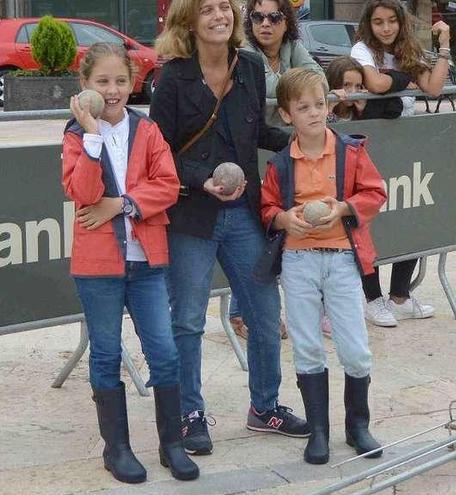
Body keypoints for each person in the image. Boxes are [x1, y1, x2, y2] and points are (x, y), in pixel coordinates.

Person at [150, 0, 309, 457]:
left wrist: (303, 139)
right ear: (189, 21)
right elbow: (157, 153)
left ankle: (265, 407)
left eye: (225, 7)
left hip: (243, 212)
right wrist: (202, 178)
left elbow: (255, 130)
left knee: (262, 314)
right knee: (187, 320)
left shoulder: (252, 67)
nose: (219, 16)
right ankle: (189, 414)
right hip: (191, 215)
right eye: (207, 10)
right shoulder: (173, 77)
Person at [62, 42, 199, 483]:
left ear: (133, 82)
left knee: (163, 350)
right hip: (98, 265)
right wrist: (92, 137)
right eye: (102, 81)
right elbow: (82, 194)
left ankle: (172, 444)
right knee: (104, 353)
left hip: (146, 261)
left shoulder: (148, 130)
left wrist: (121, 204)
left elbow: (167, 184)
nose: (113, 89)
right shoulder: (75, 134)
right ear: (85, 86)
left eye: (120, 80)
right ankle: (116, 449)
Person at [260, 68, 388, 465]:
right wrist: (284, 219)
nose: (314, 113)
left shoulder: (350, 152)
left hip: (342, 259)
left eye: (319, 104)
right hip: (298, 261)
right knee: (307, 345)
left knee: (354, 345)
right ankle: (318, 431)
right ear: (286, 115)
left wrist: (344, 208)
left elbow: (375, 192)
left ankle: (357, 426)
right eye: (303, 107)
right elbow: (266, 207)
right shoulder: (281, 163)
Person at [350, 0, 448, 327]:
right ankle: (372, 298)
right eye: (379, 22)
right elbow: (375, 85)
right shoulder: (363, 50)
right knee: (373, 222)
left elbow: (433, 87)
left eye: (392, 21)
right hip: (373, 144)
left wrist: (444, 46)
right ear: (370, 24)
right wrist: (408, 77)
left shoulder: (408, 48)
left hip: (407, 144)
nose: (386, 28)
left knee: (411, 213)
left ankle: (400, 295)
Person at [229, 0, 323, 339]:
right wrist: (292, 90)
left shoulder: (293, 47)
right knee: (255, 233)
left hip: (284, 148)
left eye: (273, 17)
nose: (264, 24)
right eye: (257, 17)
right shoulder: (242, 50)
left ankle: (262, 309)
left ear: (287, 21)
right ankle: (240, 311)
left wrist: (291, 91)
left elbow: (317, 81)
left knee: (277, 231)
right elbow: (270, 89)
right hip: (249, 153)